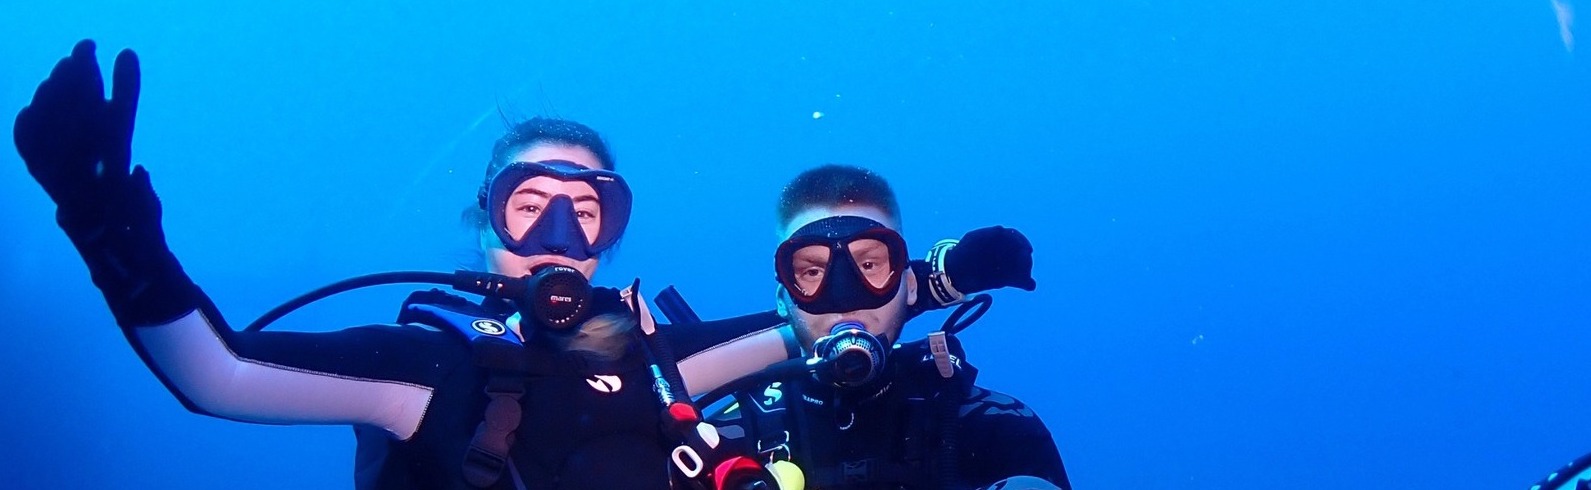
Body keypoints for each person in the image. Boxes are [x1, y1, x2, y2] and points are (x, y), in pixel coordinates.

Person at [14, 40, 1038, 490]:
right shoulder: (430, 371)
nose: (557, 233)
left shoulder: (658, 358)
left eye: (584, 211)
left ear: (610, 233)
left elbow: (822, 317)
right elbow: (217, 372)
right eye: (529, 204)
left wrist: (939, 274)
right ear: (484, 221)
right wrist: (109, 228)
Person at [705, 164, 1072, 490]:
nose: (844, 298)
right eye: (813, 271)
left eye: (869, 265)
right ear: (784, 299)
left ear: (910, 285)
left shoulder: (994, 429)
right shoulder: (720, 445)